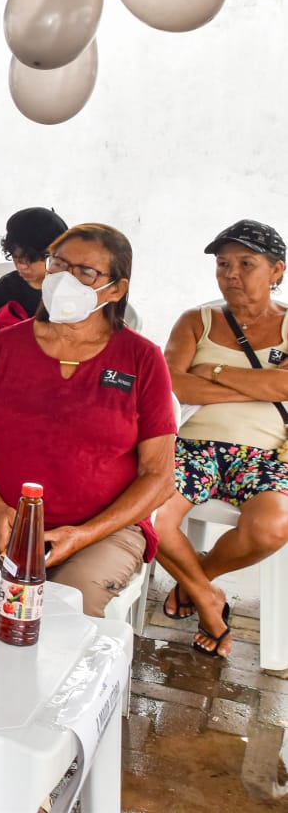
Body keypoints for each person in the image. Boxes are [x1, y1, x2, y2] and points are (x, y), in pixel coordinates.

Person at [0, 224, 176, 618]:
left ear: (115, 290)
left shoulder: (142, 359)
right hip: (2, 516)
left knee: (66, 612)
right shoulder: (6, 346)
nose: (66, 279)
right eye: (59, 264)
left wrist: (83, 534)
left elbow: (159, 477)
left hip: (104, 529)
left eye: (86, 272)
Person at [154, 219, 288, 658]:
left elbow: (286, 389)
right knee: (151, 516)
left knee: (274, 526)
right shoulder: (197, 321)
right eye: (222, 263)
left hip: (266, 453)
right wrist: (261, 380)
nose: (231, 273)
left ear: (277, 271)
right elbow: (174, 384)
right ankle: (209, 599)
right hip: (194, 447)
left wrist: (210, 371)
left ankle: (195, 582)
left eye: (246, 263)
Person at [0, 207, 69, 323]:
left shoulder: (74, 292)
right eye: (15, 256)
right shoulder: (6, 289)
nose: (21, 266)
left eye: (31, 258)